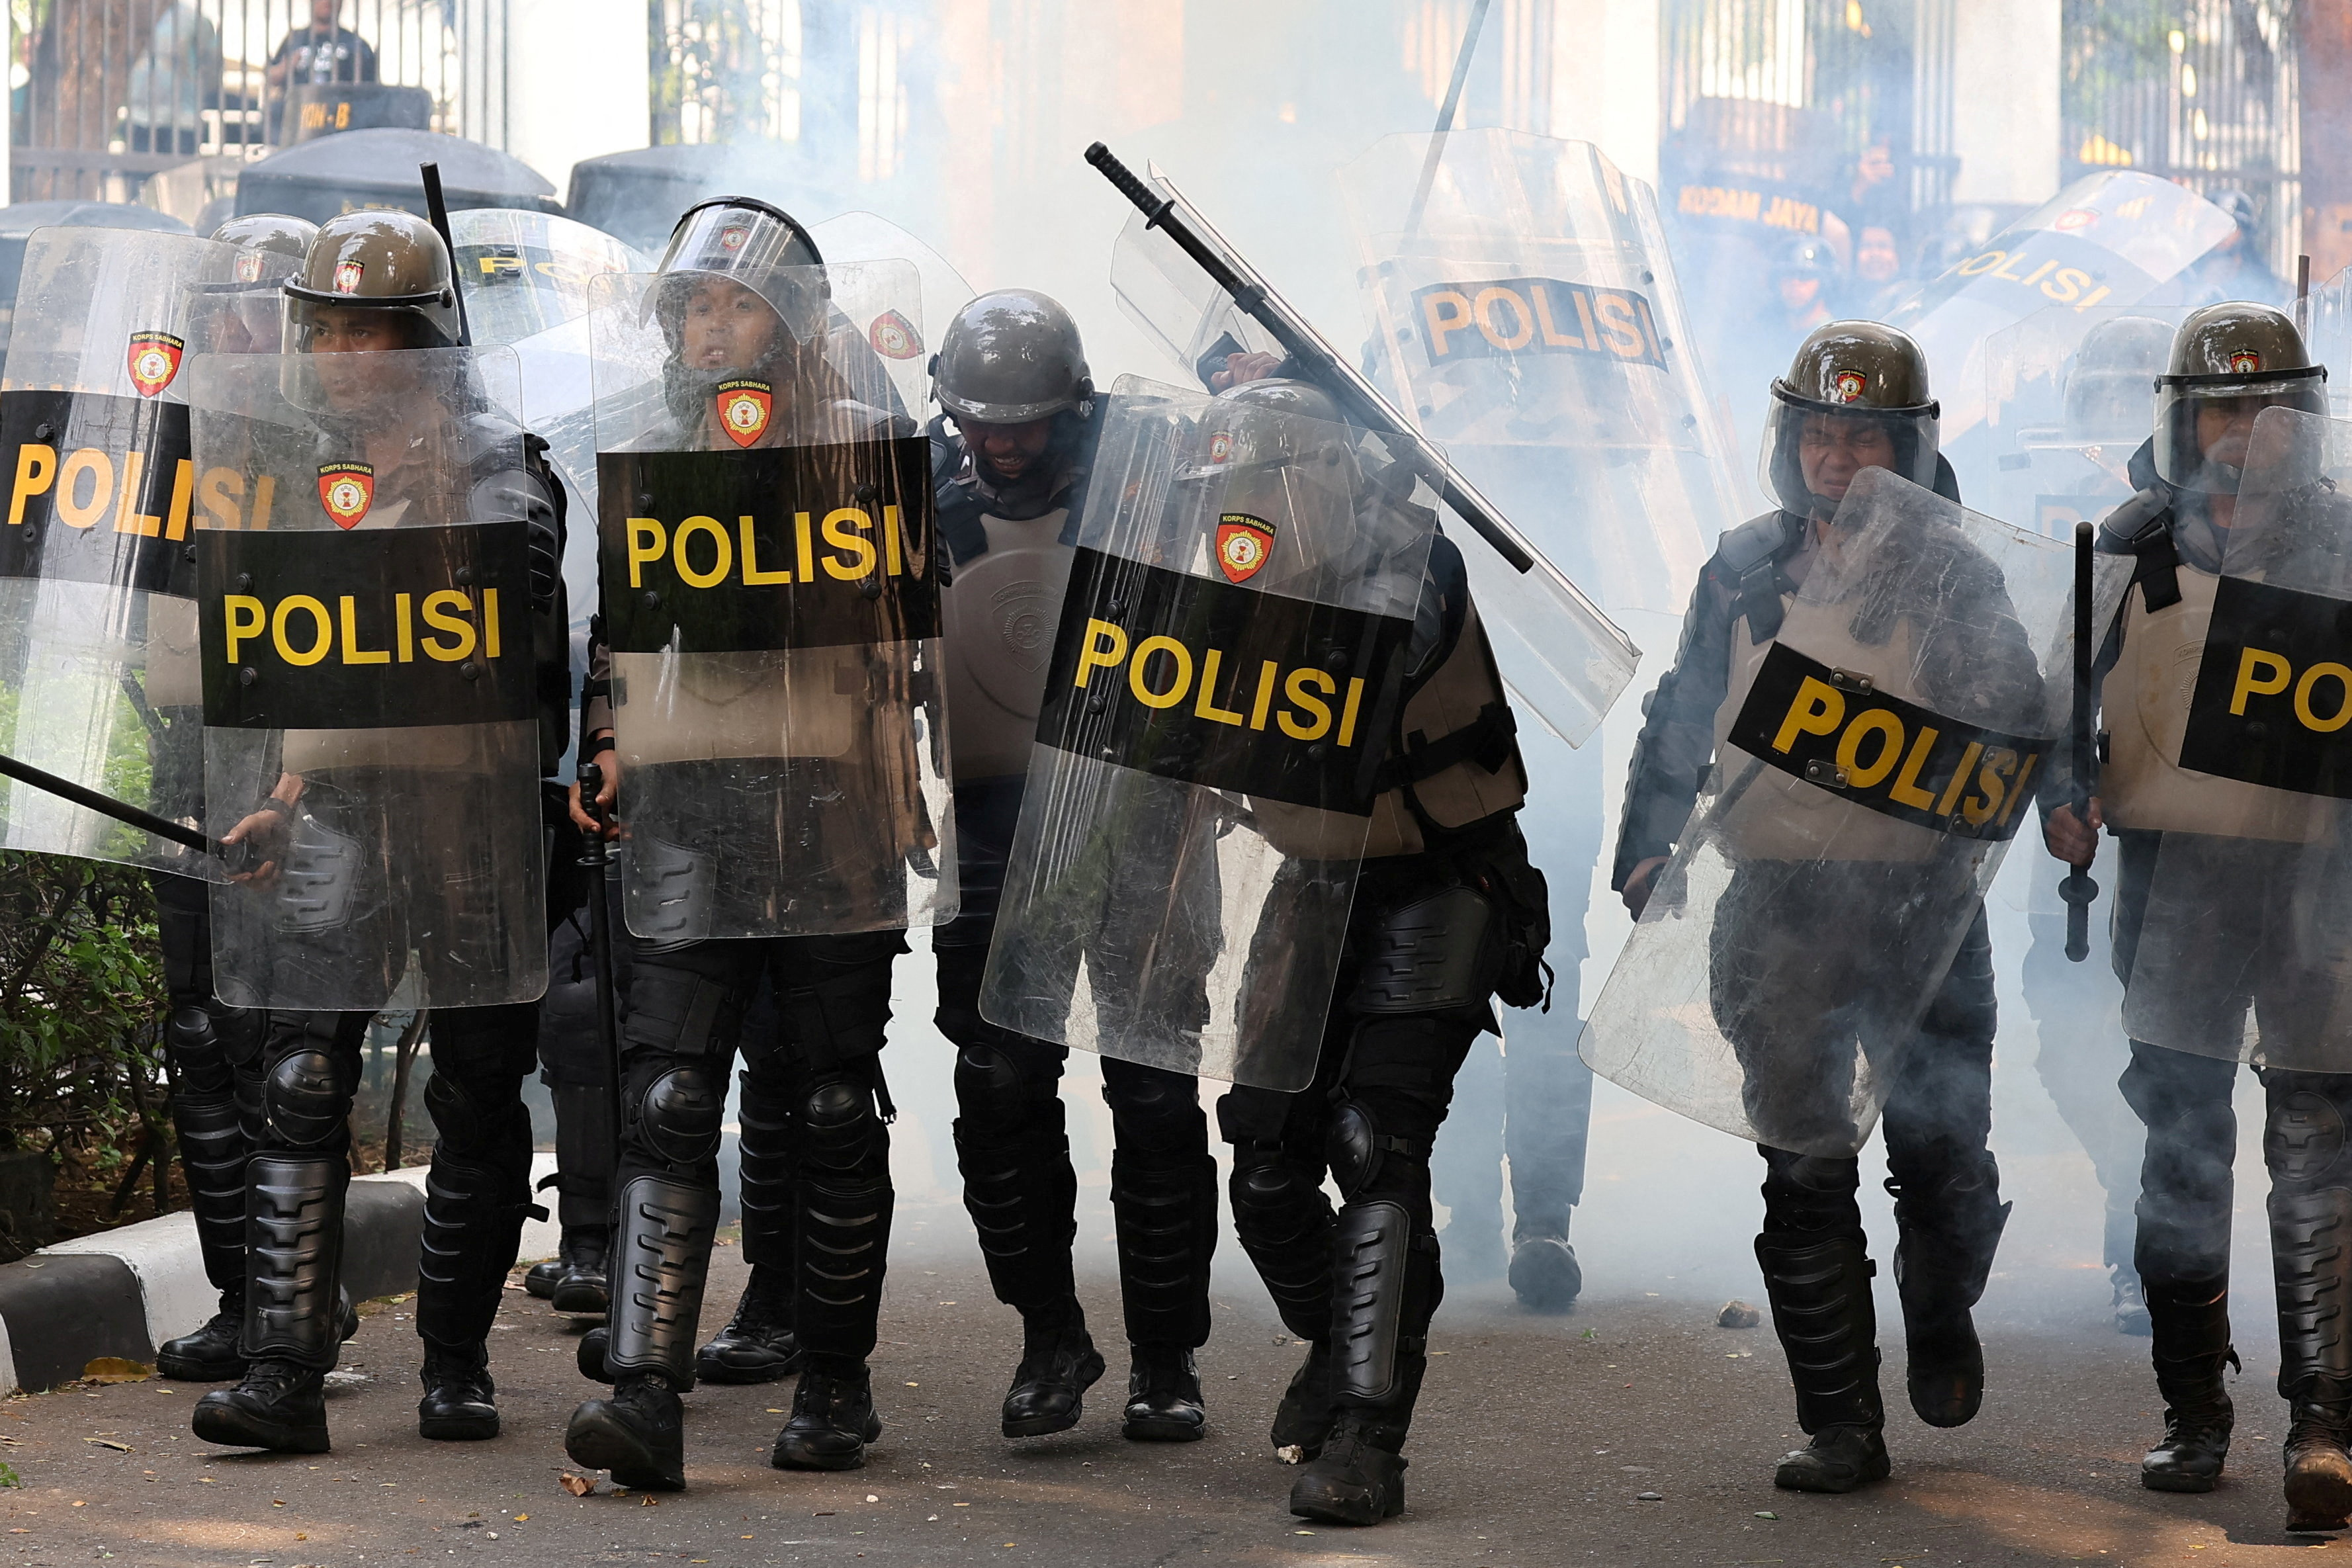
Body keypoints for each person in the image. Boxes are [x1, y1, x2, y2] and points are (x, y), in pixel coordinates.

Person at [187, 210, 574, 1454]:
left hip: (474, 823)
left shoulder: (506, 464)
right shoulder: (291, 474)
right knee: (302, 1083)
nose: (346, 353)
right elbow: (304, 667)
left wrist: (456, 521)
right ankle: (284, 1374)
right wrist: (284, 797)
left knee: (478, 1095)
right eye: (329, 327)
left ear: (423, 340)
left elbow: (514, 637)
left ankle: (455, 1366)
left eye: (371, 328)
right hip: (344, 816)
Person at [1614, 321, 2013, 1494]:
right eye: (1821, 434)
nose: (1839, 459)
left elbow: (2020, 725)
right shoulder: (1744, 567)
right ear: (1790, 442)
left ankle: (1940, 1306)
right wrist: (1648, 847)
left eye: (1865, 437)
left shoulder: (1958, 575)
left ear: (1908, 448)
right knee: (1801, 1165)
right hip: (1780, 908)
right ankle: (1841, 1421)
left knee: (1941, 1164)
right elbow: (1684, 714)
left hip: (1922, 912)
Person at [562, 197, 920, 1489]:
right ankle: (644, 1394)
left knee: (827, 1106)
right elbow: (619, 630)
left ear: (793, 323)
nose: (710, 326)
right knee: (666, 1099)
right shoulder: (648, 445)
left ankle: (833, 1383)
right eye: (692, 306)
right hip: (687, 817)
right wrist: (603, 738)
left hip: (829, 822)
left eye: (735, 304)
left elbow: (898, 640)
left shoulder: (866, 449)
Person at [1201, 374, 1553, 1526]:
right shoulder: (1228, 574)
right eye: (1240, 481)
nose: (1255, 501)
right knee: (1263, 1159)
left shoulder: (1410, 561)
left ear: (1336, 473)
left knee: (1376, 1141)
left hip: (1436, 880)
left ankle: (1366, 1433)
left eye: (1279, 474)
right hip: (1313, 885)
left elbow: (1359, 669)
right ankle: (1366, 1324)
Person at [2042, 302, 2351, 1527]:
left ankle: (2324, 1422)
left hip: (2324, 894)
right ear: (2184, 419)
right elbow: (2059, 709)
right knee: (2181, 1151)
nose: (2245, 434)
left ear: (2306, 426)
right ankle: (2192, 1409)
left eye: (2270, 413)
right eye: (2223, 409)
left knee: (2319, 1150)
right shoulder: (2130, 546)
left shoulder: (2348, 549)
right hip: (2177, 894)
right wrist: (2064, 801)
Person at [926, 289, 1221, 1442]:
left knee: (1151, 1091)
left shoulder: (1149, 489)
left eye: (1027, 422)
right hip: (997, 823)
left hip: (1142, 815)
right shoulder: (923, 502)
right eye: (984, 423)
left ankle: (1166, 1359)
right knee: (998, 1090)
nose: (1004, 444)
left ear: (1075, 407)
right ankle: (1051, 1337)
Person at [138, 213, 318, 1385]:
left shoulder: (328, 454)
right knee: (199, 1034)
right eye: (224, 314)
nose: (240, 335)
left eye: (264, 314)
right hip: (179, 752)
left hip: (288, 772)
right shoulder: (168, 448)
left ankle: (296, 1303)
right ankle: (241, 1295)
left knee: (277, 1046)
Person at [265, 0, 377, 142]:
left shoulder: (355, 44)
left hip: (339, 126)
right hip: (298, 126)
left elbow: (371, 93)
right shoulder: (295, 39)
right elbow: (272, 78)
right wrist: (288, 65)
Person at [122, 2, 221, 160]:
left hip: (181, 118)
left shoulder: (193, 18)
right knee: (140, 174)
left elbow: (211, 66)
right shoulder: (133, 15)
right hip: (140, 115)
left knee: (177, 176)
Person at [2178, 189, 2288, 309]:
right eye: (2213, 226)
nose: (2220, 234)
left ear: (2244, 232)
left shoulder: (2265, 282)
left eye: (2230, 227)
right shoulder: (2185, 276)